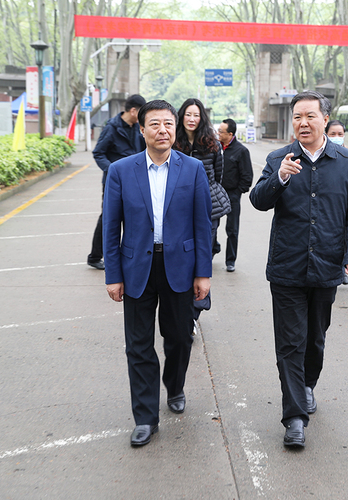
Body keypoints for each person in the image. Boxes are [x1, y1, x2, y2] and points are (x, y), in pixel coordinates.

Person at [250, 90, 348, 448]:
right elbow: (258, 201)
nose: (303, 123)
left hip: (327, 265)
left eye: (310, 116)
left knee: (315, 339)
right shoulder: (277, 159)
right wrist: (280, 178)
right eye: (297, 117)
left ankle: (307, 385)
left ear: (325, 120)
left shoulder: (346, 162)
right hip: (287, 266)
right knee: (290, 343)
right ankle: (295, 417)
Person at [103, 99, 212, 447]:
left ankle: (175, 385)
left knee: (179, 338)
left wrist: (203, 273)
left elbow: (202, 224)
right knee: (138, 345)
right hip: (137, 267)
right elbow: (111, 226)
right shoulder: (121, 170)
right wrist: (112, 274)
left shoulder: (193, 169)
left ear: (175, 128)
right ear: (142, 128)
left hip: (180, 265)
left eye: (168, 124)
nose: (162, 130)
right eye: (155, 124)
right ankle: (145, 417)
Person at [87, 94, 146, 270]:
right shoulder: (112, 127)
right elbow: (98, 153)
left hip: (134, 180)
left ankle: (129, 255)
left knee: (134, 217)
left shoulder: (137, 128)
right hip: (114, 182)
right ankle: (95, 256)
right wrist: (113, 171)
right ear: (133, 111)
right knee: (108, 218)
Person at [175, 99, 231, 259]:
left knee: (204, 246)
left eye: (196, 115)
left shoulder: (212, 143)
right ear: (181, 116)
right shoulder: (173, 143)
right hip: (180, 201)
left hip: (208, 202)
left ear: (202, 118)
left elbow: (218, 174)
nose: (191, 119)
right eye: (188, 115)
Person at [216, 118, 253, 272]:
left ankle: (230, 260)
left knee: (232, 230)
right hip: (216, 193)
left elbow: (247, 177)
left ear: (230, 134)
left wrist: (238, 192)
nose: (218, 134)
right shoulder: (216, 148)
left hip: (232, 195)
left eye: (221, 132)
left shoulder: (241, 151)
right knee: (210, 226)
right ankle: (212, 250)